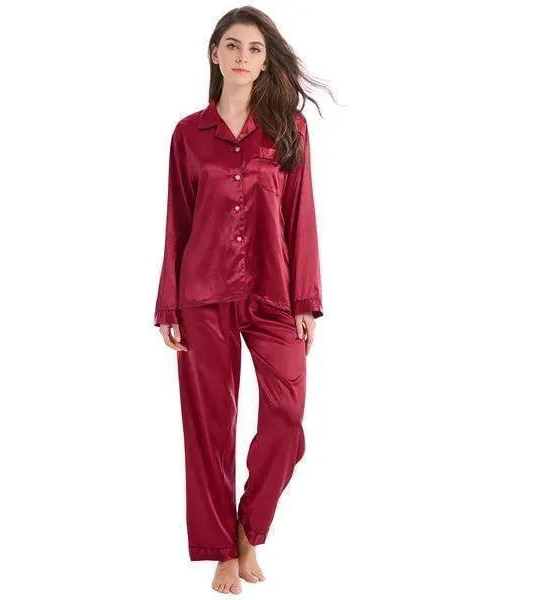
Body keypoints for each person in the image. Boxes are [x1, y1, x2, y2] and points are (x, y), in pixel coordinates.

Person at [153, 6, 331, 595]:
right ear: (215, 54)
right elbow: (178, 222)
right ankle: (220, 551)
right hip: (202, 294)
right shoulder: (188, 134)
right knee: (208, 426)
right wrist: (168, 305)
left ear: (264, 60)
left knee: (286, 414)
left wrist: (305, 300)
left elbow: (300, 215)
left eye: (254, 48)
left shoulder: (289, 130)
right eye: (232, 45)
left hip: (273, 292)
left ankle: (249, 526)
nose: (242, 56)